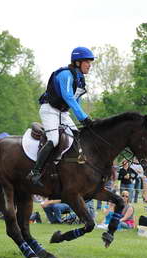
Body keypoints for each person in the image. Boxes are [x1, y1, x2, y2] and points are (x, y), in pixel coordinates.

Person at [28, 46, 95, 187]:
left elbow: (76, 101)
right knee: (54, 139)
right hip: (49, 110)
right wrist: (84, 118)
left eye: (90, 62)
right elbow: (68, 97)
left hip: (63, 113)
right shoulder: (66, 75)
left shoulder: (80, 79)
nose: (90, 65)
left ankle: (68, 169)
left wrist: (84, 118)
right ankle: (35, 172)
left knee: (77, 135)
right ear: (77, 62)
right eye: (87, 62)